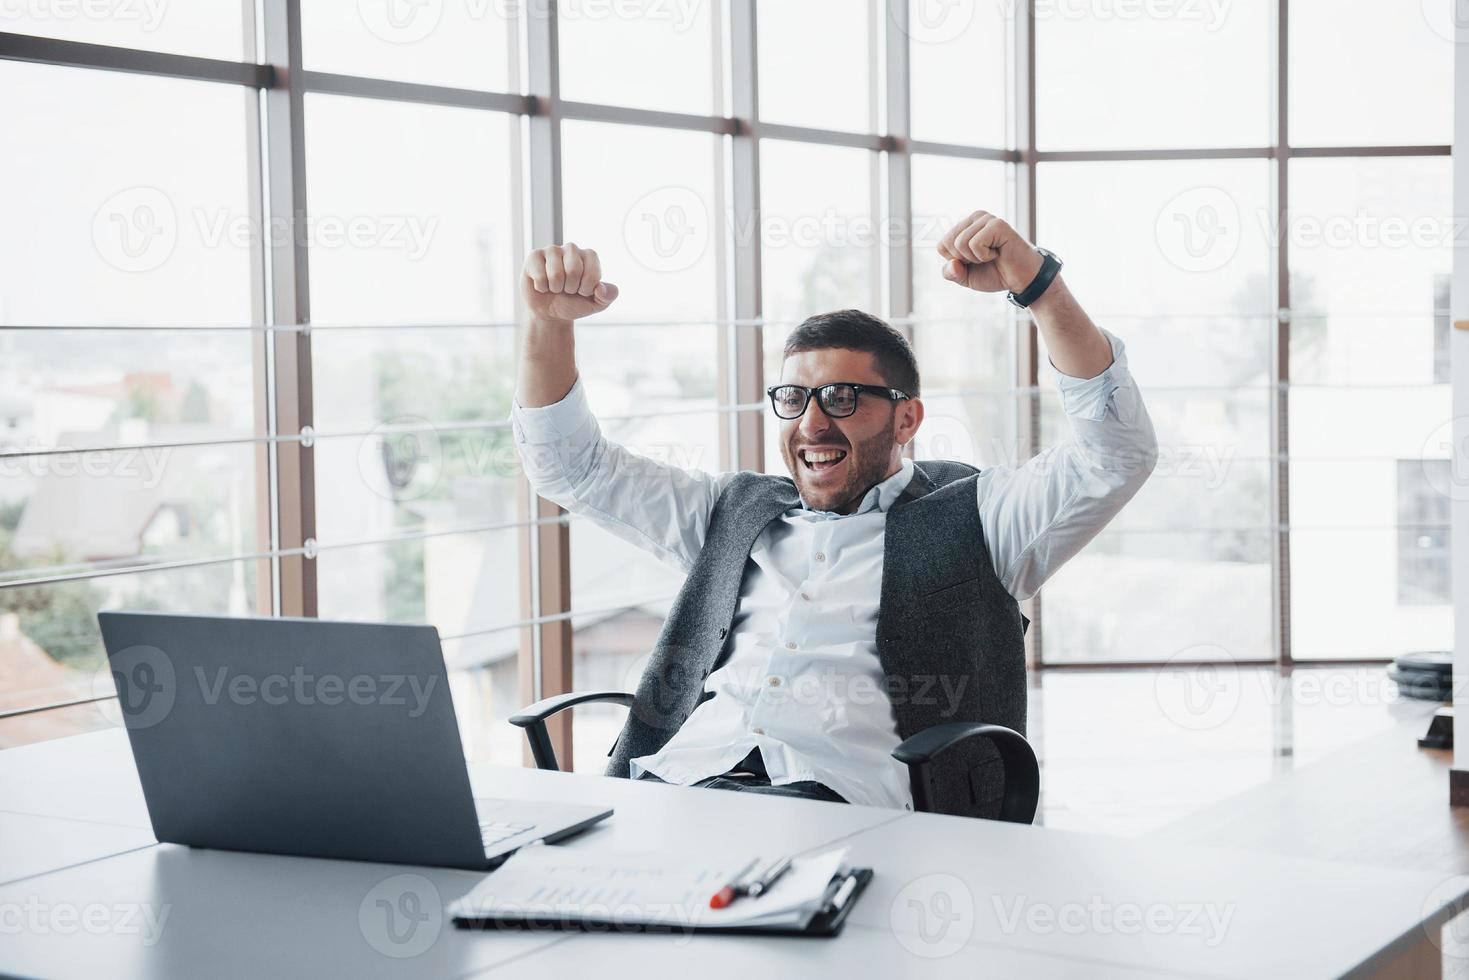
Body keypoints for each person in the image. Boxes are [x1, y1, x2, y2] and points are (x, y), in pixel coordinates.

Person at [511, 210, 1157, 817]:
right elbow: (572, 468)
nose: (811, 422)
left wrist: (1039, 287)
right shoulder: (732, 513)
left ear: (907, 417)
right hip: (677, 788)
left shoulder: (981, 517)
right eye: (792, 398)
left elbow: (1116, 453)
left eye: (841, 398)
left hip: (839, 809)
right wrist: (548, 325)